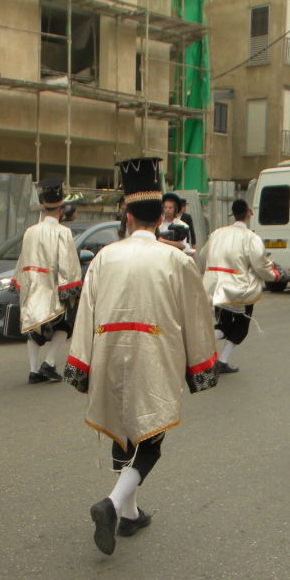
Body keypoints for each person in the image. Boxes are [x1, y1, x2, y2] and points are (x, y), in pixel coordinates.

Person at [64, 157, 217, 555]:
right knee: (150, 438)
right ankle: (113, 504)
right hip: (153, 355)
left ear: (127, 215)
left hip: (109, 353)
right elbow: (196, 316)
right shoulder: (176, 260)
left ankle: (129, 513)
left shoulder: (103, 258)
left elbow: (85, 315)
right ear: (159, 219)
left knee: (122, 428)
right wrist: (199, 366)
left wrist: (80, 364)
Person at [199, 199, 285, 374]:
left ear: (233, 213)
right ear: (248, 213)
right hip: (239, 288)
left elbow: (202, 255)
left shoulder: (217, 233)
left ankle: (207, 351)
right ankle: (219, 359)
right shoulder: (251, 238)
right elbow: (260, 265)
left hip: (215, 286)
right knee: (241, 327)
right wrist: (275, 276)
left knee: (223, 324)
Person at [12, 179, 82, 383]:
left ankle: (34, 370)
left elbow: (22, 259)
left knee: (34, 326)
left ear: (43, 206)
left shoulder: (30, 231)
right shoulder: (63, 232)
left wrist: (19, 283)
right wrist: (69, 287)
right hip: (51, 286)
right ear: (61, 208)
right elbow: (67, 262)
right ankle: (49, 363)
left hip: (31, 285)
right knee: (65, 324)